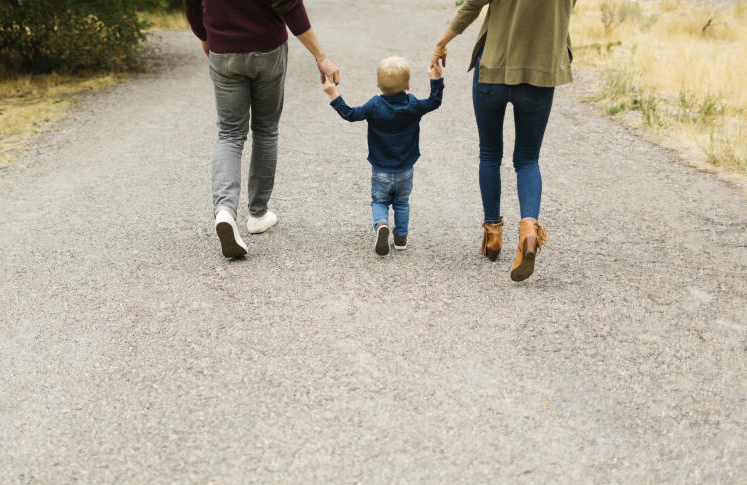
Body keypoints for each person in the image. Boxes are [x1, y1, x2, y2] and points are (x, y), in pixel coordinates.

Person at [431, 0, 575, 281]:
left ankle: (493, 235)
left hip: (493, 68)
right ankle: (530, 231)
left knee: (489, 154)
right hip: (540, 73)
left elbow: (471, 6)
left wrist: (440, 45)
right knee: (527, 159)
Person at [184, 0, 340, 258]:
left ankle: (225, 211)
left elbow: (192, 4)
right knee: (266, 130)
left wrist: (205, 36)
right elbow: (289, 4)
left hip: (223, 50)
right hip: (267, 48)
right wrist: (320, 56)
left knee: (230, 134)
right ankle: (257, 214)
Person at [323, 57, 444, 255]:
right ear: (407, 84)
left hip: (380, 169)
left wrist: (333, 93)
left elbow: (350, 115)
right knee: (402, 203)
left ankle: (381, 225)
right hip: (405, 169)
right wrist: (436, 79)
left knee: (379, 201)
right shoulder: (413, 104)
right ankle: (401, 239)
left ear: (378, 85)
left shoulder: (375, 105)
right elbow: (434, 101)